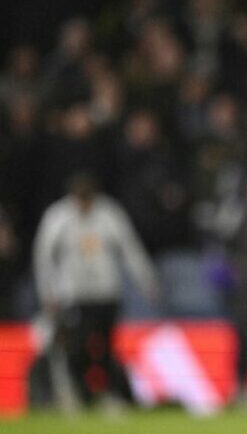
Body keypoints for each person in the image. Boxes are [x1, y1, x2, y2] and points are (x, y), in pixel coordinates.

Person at [33, 172, 159, 407]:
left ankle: (108, 394)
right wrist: (47, 292)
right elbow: (44, 258)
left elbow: (130, 249)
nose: (84, 205)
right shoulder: (58, 217)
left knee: (106, 345)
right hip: (74, 294)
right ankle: (79, 394)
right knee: (76, 347)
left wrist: (147, 280)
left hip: (106, 292)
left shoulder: (109, 214)